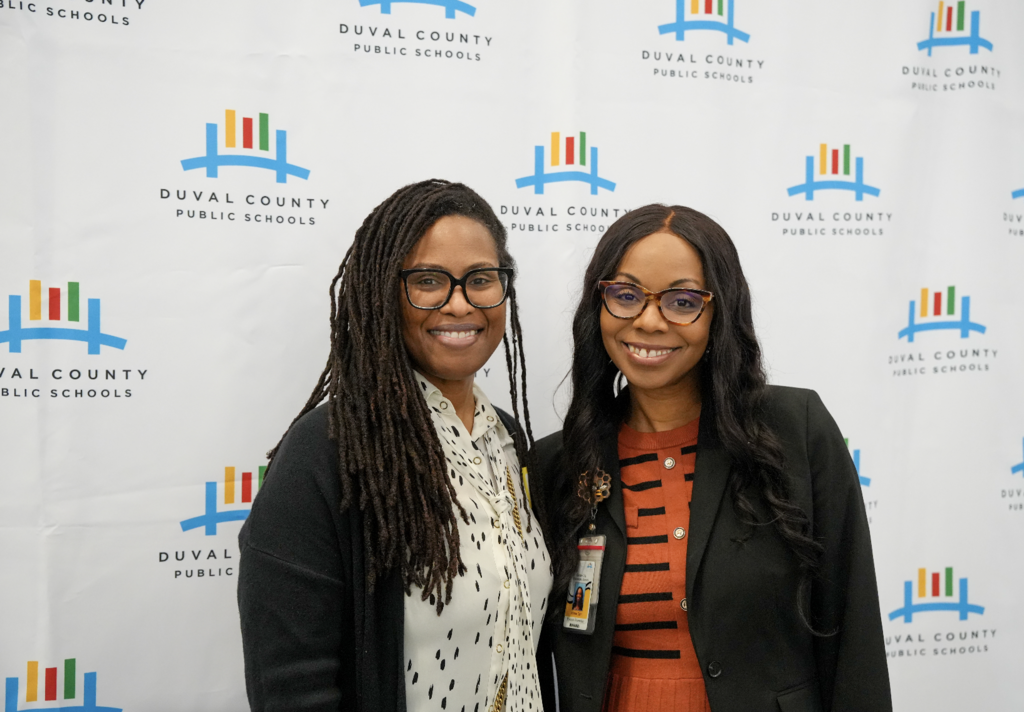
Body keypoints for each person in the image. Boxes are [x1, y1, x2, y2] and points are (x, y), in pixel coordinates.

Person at [532, 205, 891, 712]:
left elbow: (852, 631)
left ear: (720, 311)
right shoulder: (558, 464)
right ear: (600, 305)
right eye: (626, 295)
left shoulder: (795, 430)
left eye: (682, 301)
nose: (649, 321)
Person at [237, 180, 553, 712]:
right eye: (428, 280)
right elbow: (293, 686)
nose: (459, 303)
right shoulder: (328, 451)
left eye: (481, 279)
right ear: (383, 291)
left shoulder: (507, 441)